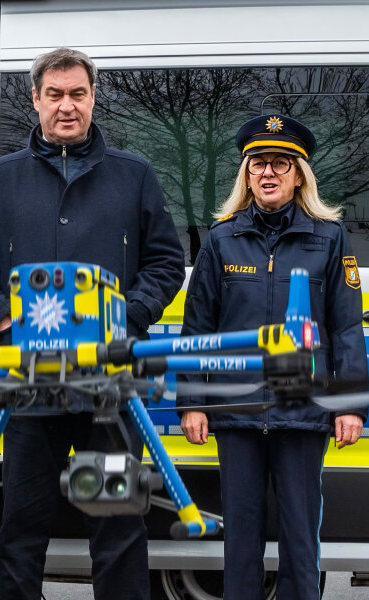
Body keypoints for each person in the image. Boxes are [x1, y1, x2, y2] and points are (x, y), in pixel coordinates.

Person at [0, 48, 185, 600]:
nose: (66, 106)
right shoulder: (0, 179)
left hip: (109, 392)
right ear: (35, 100)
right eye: (54, 95)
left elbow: (167, 262)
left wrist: (123, 316)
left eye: (77, 94)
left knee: (118, 527)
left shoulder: (134, 175)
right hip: (28, 390)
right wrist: (1, 319)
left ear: (92, 97)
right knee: (22, 529)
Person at [178, 114, 367, 600]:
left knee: (301, 538)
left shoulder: (329, 237)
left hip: (305, 410)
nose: (268, 173)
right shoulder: (220, 240)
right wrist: (193, 401)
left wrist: (349, 404)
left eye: (281, 164)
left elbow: (346, 326)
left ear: (299, 174)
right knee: (240, 540)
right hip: (236, 409)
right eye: (258, 163)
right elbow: (198, 327)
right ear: (246, 174)